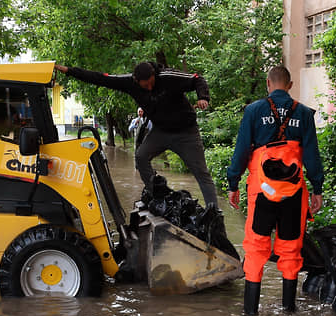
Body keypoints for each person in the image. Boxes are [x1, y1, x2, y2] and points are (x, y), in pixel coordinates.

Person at [226, 65, 324, 316]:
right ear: (289, 86)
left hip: (262, 193)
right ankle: (288, 313)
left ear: (268, 84)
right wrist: (317, 189)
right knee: (291, 250)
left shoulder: (253, 111)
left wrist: (233, 184)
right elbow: (312, 156)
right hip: (294, 194)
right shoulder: (303, 113)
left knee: (256, 249)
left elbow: (241, 152)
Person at [54, 62, 219, 208]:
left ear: (154, 76)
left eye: (151, 84)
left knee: (201, 173)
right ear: (136, 81)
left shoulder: (169, 77)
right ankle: (158, 195)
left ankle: (214, 213)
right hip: (160, 132)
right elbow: (100, 78)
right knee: (140, 156)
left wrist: (203, 97)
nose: (149, 88)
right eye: (144, 86)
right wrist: (68, 70)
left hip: (186, 132)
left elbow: (198, 78)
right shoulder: (128, 83)